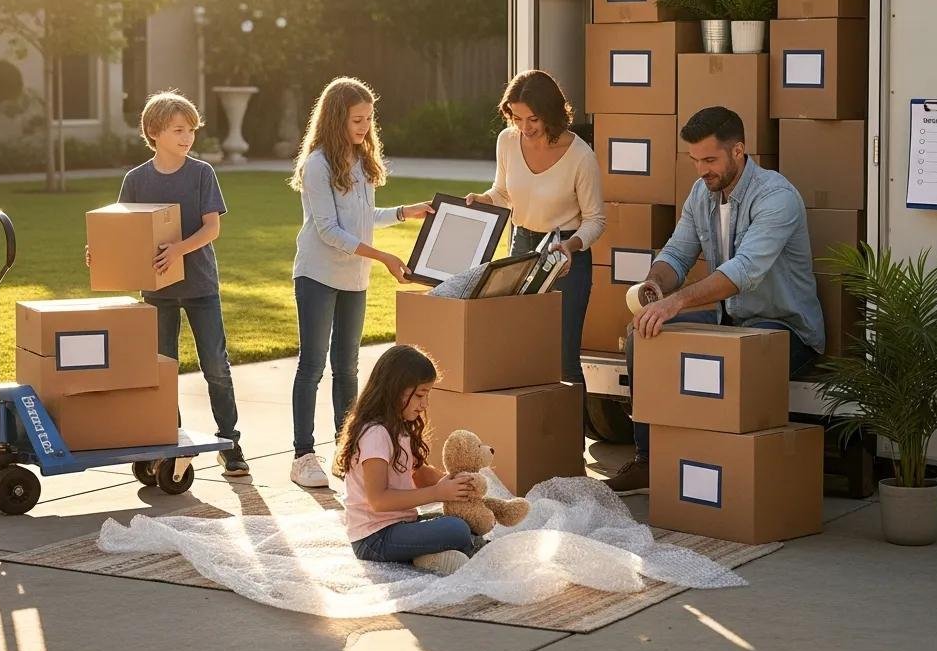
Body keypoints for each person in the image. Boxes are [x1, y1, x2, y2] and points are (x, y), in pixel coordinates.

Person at [607, 106, 825, 495]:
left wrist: (675, 303)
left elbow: (743, 272)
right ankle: (649, 460)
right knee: (642, 334)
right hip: (732, 323)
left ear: (739, 150)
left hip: (785, 329)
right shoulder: (701, 193)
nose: (701, 169)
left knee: (727, 360)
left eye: (709, 159)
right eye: (694, 160)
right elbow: (677, 254)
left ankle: (723, 473)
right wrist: (655, 286)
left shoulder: (777, 197)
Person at [90, 89, 248, 478]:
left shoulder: (201, 174)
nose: (187, 137)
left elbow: (212, 228)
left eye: (191, 130)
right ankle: (170, 440)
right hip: (157, 292)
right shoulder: (136, 180)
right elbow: (122, 229)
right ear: (155, 131)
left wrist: (179, 249)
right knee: (163, 370)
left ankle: (230, 443)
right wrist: (102, 253)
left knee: (216, 366)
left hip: (201, 288)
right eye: (178, 130)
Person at [289, 77, 434, 490]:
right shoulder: (317, 164)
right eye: (357, 119)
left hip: (354, 277)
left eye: (370, 119)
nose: (365, 126)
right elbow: (330, 230)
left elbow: (362, 217)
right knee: (312, 365)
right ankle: (302, 455)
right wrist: (385, 257)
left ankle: (347, 449)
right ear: (336, 118)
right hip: (317, 274)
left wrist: (406, 212)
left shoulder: (362, 160)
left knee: (347, 368)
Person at [465, 70, 605, 385]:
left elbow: (596, 219)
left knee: (563, 358)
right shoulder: (507, 141)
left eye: (532, 120)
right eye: (516, 118)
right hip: (521, 246)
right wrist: (481, 200)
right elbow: (502, 194)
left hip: (566, 255)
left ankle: (568, 434)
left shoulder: (581, 156)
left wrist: (569, 248)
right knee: (520, 348)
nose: (523, 128)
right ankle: (530, 432)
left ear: (551, 114)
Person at [333, 344, 481, 575]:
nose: (425, 404)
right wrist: (439, 493)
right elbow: (378, 501)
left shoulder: (398, 428)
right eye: (420, 395)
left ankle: (430, 555)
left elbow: (419, 474)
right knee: (457, 528)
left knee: (464, 518)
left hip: (401, 526)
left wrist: (454, 483)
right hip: (374, 538)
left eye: (427, 395)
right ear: (395, 390)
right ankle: (441, 553)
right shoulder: (375, 434)